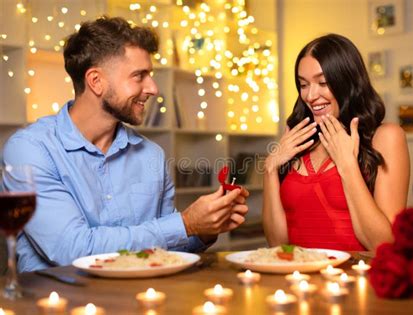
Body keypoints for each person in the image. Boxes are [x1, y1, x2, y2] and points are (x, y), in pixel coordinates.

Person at [2, 16, 249, 272]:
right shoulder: (30, 149)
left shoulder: (151, 154)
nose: (153, 88)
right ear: (96, 81)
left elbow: (165, 251)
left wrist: (205, 229)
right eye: (139, 76)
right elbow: (71, 249)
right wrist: (185, 224)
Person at [263, 34, 409, 251]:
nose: (311, 95)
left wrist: (347, 165)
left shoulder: (386, 137)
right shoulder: (297, 140)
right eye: (303, 84)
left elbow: (384, 245)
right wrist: (270, 169)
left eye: (323, 82)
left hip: (357, 282)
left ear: (347, 82)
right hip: (298, 280)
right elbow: (278, 245)